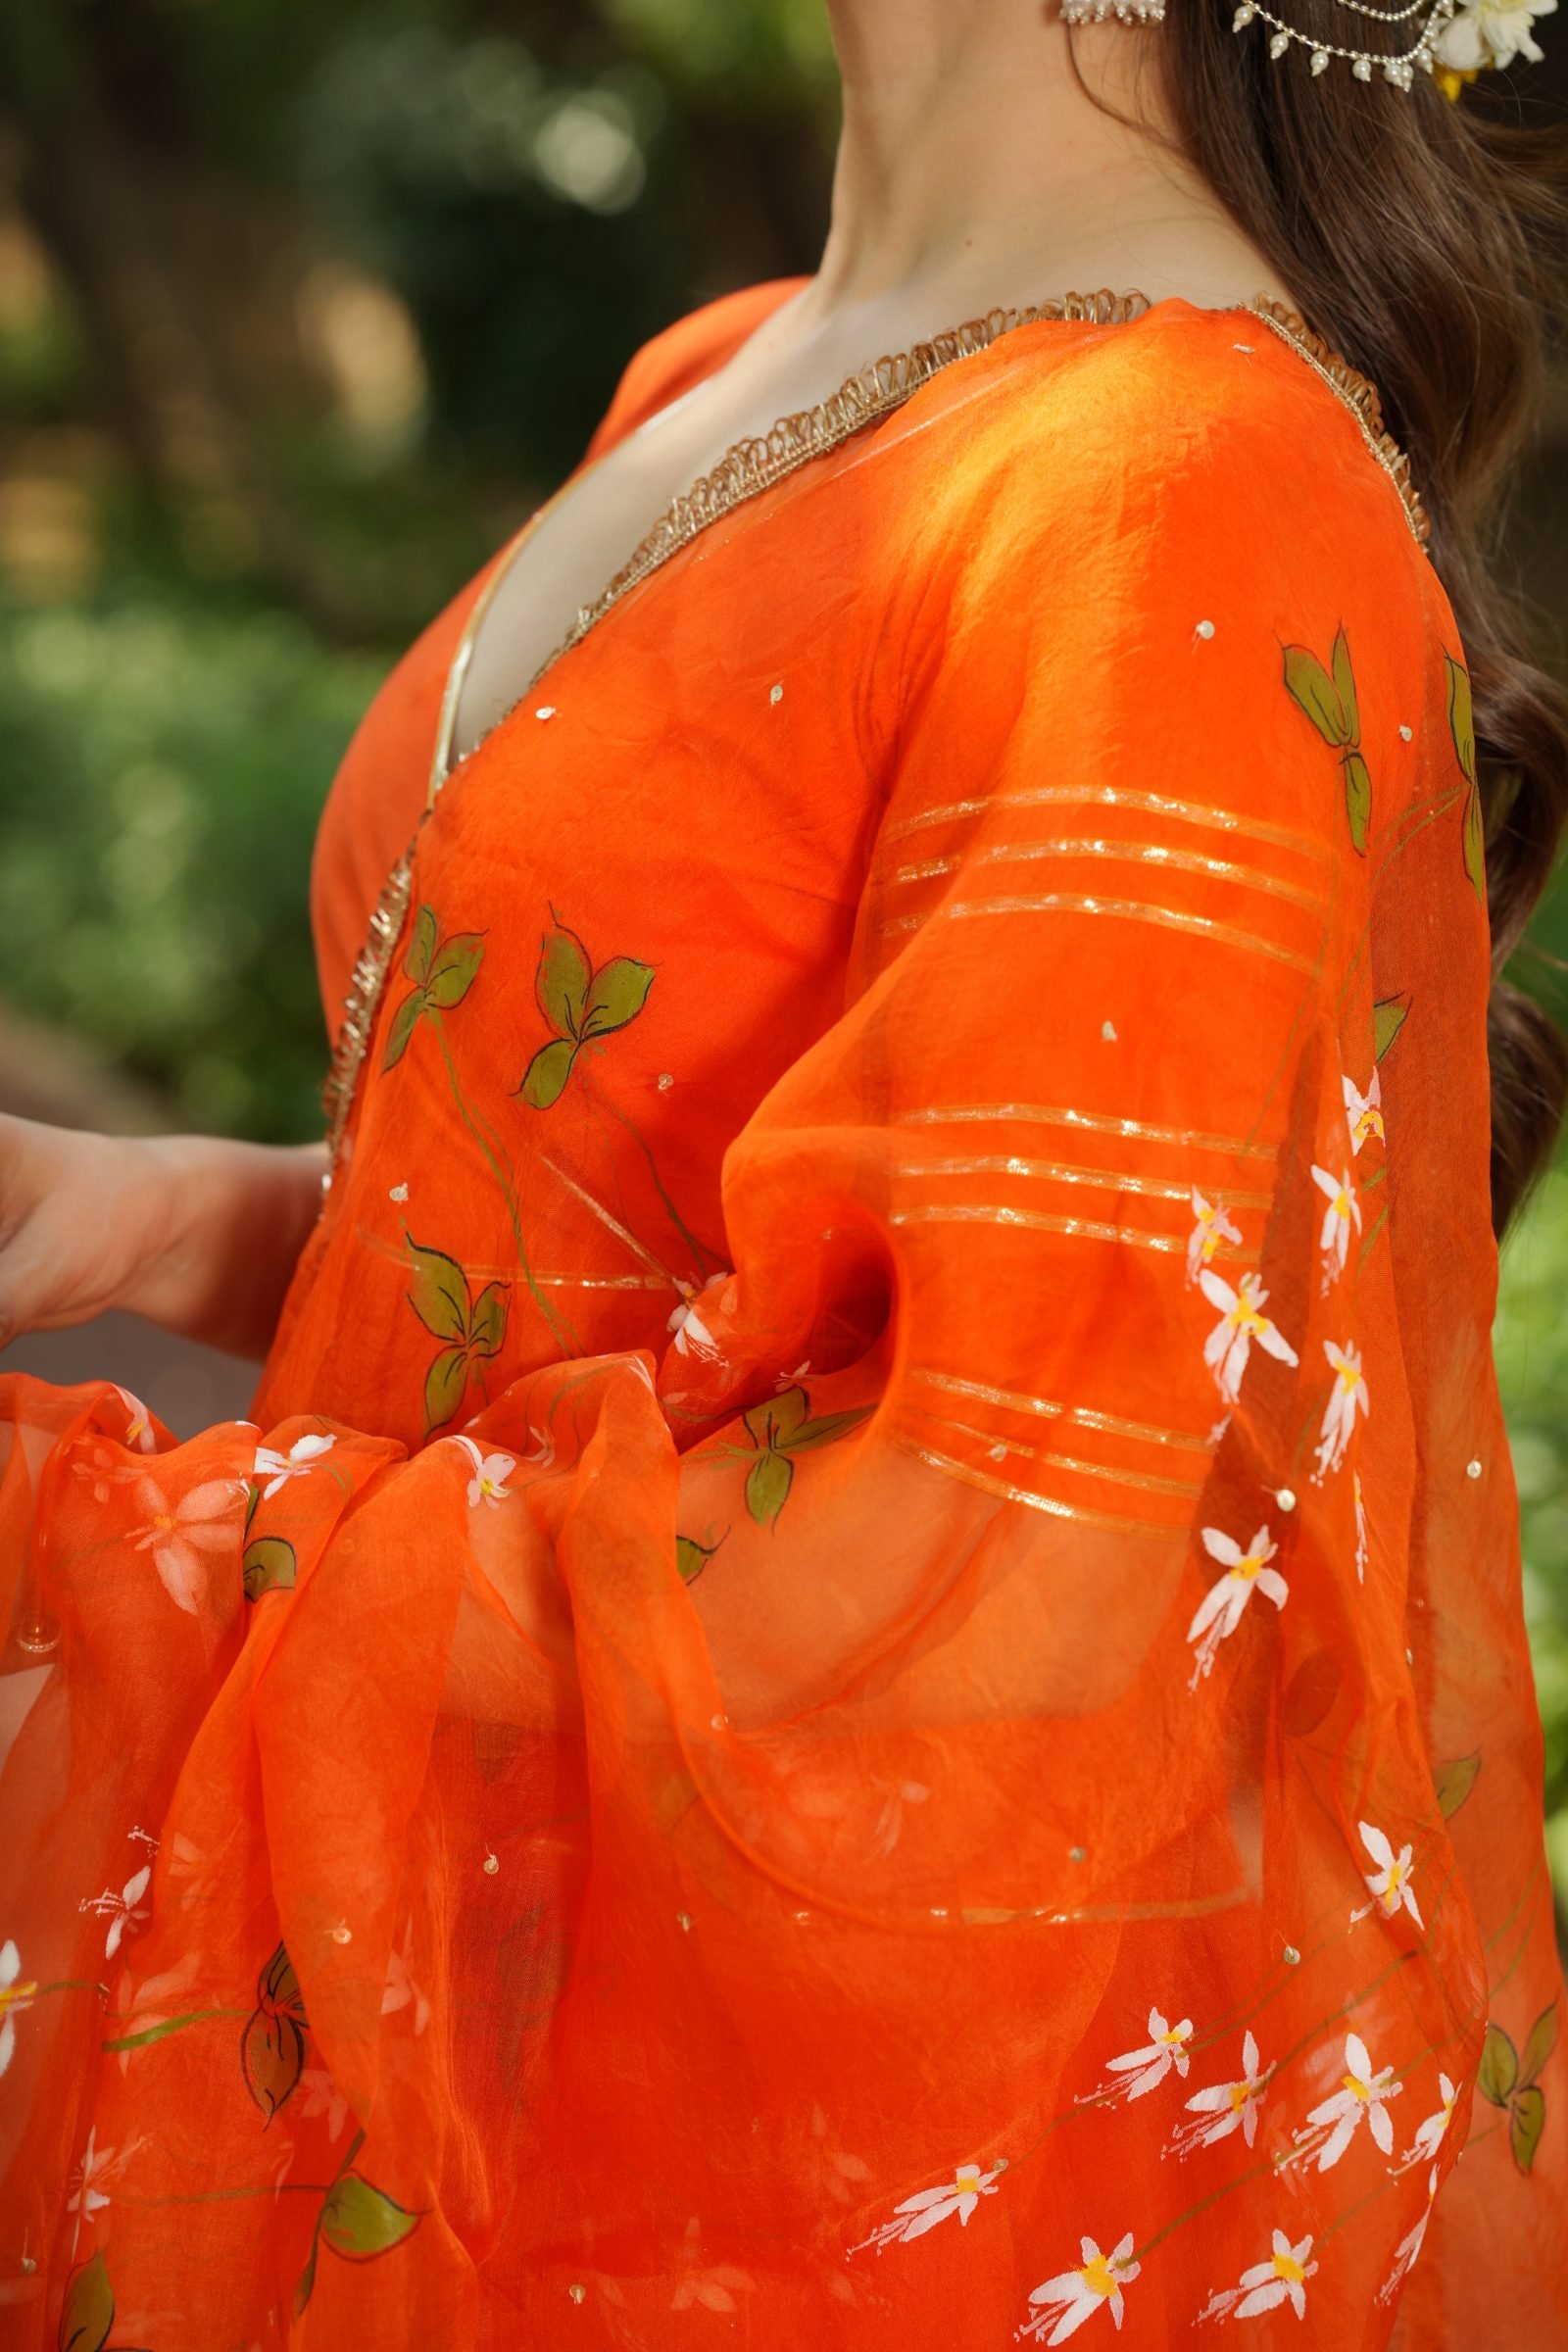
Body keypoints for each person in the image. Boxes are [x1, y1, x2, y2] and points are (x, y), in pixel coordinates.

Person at [1, 1, 1564, 2342]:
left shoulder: (1171, 486)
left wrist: (107, 1567)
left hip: (712, 2176)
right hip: (427, 2022)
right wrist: (161, 1212)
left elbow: (995, 1587)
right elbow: (606, 1257)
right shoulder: (734, 366)